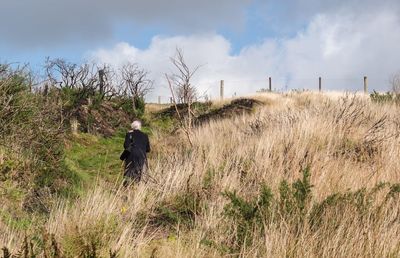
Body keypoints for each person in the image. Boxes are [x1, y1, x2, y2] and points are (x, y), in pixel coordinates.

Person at [122, 120, 150, 185]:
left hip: (131, 155)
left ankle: (127, 186)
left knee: (128, 172)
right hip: (142, 156)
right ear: (140, 127)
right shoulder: (145, 135)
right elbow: (148, 149)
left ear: (132, 127)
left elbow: (126, 146)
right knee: (140, 172)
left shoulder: (129, 134)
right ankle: (137, 186)